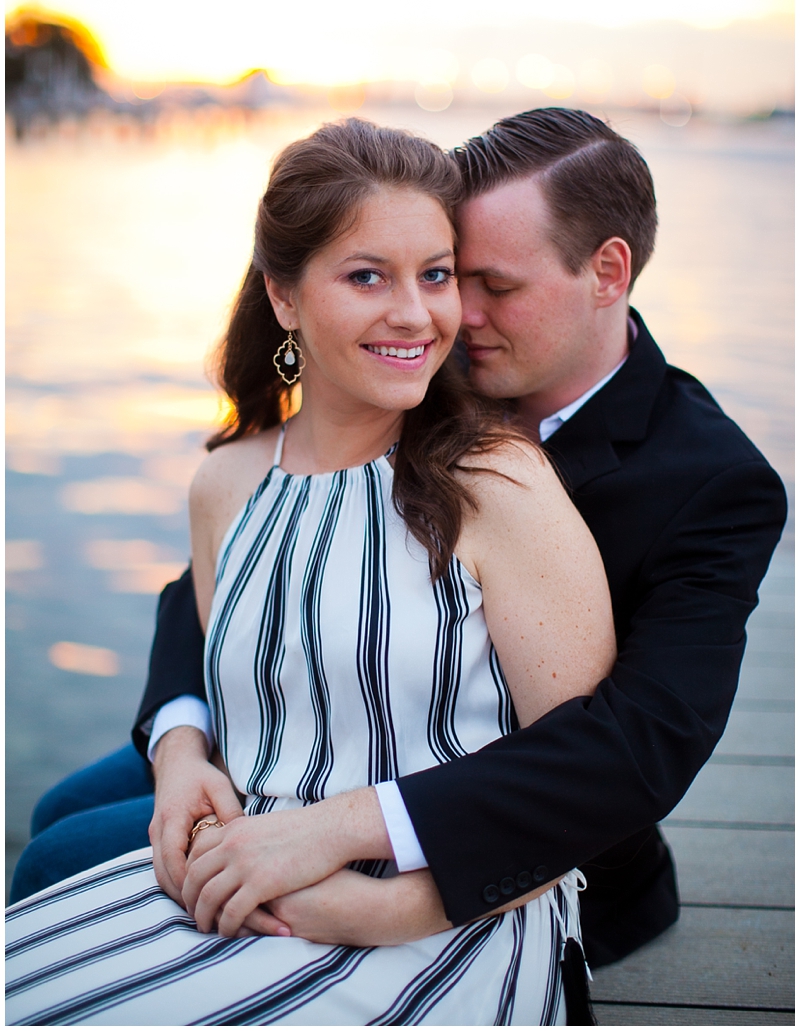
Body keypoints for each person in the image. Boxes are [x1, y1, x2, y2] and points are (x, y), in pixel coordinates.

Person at [10, 108, 787, 969]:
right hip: (299, 726)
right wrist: (182, 735)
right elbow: (238, 563)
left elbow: (635, 743)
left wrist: (369, 880)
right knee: (61, 815)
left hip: (506, 825)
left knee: (58, 857)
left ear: (607, 271)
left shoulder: (711, 480)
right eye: (452, 272)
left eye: (488, 282)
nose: (445, 315)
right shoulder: (419, 348)